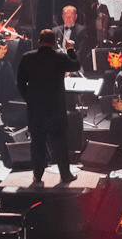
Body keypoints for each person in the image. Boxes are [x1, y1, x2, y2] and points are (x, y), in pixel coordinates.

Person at [16, 28, 81, 183]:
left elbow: (20, 83)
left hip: (36, 108)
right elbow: (76, 66)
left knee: (37, 143)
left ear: (39, 41)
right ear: (54, 43)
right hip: (55, 108)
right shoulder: (60, 57)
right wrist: (70, 50)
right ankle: (65, 174)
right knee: (60, 143)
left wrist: (29, 99)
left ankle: (37, 175)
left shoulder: (27, 58)